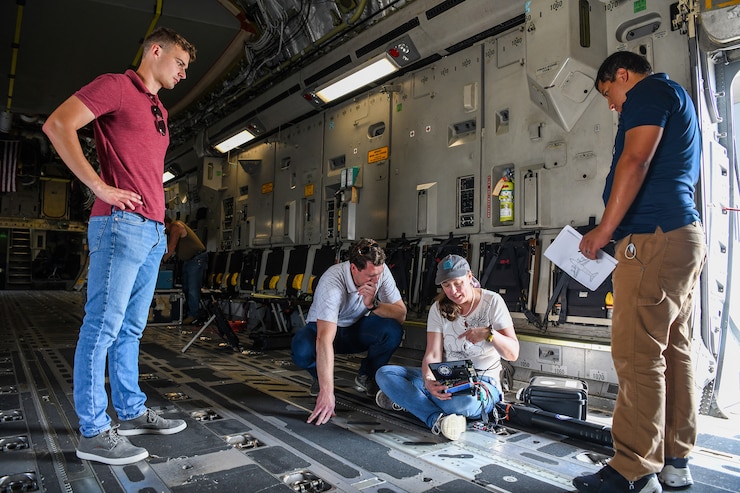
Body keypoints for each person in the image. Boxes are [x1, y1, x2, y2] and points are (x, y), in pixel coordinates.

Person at [42, 27, 197, 466]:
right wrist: (99, 187)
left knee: (130, 329)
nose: (184, 73)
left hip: (149, 230)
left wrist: (161, 227)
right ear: (155, 51)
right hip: (120, 224)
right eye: (180, 63)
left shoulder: (158, 107)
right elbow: (58, 124)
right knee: (102, 327)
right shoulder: (116, 86)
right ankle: (93, 430)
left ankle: (129, 411)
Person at [574, 51, 706, 492]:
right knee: (674, 353)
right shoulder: (677, 97)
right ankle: (675, 462)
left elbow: (635, 162)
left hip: (653, 242)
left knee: (637, 354)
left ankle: (633, 469)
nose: (612, 105)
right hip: (679, 237)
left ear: (623, 75)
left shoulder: (648, 93)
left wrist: (604, 231)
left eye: (609, 93)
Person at [375, 254, 519, 440]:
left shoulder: (492, 302)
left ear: (469, 276)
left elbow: (513, 353)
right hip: (449, 377)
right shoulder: (438, 308)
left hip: (482, 381)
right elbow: (433, 353)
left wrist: (489, 334)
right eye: (446, 285)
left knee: (463, 403)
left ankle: (409, 401)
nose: (453, 291)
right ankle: (437, 419)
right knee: (385, 374)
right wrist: (428, 380)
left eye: (458, 283)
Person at [291, 238, 407, 425]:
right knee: (301, 350)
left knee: (393, 330)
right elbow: (324, 339)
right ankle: (318, 379)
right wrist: (327, 392)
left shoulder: (380, 272)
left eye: (378, 274)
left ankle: (367, 375)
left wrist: (373, 304)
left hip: (356, 328)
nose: (376, 280)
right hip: (324, 329)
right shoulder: (332, 281)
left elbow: (401, 314)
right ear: (354, 268)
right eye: (370, 276)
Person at [163, 216, 207, 324]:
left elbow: (172, 246)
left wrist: (162, 261)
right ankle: (189, 313)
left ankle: (194, 315)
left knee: (192, 288)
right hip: (189, 260)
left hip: (196, 259)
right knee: (186, 287)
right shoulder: (172, 229)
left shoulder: (176, 227)